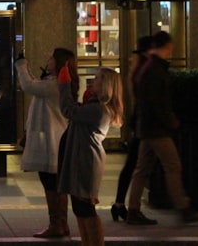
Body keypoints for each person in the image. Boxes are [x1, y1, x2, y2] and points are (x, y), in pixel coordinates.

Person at [124, 30, 198, 226]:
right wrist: (169, 121)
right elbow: (157, 101)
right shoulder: (155, 69)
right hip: (156, 128)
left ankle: (133, 209)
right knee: (172, 165)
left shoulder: (148, 68)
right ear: (166, 46)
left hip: (147, 127)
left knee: (142, 169)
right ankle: (182, 207)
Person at [57, 65, 124, 246]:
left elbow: (68, 110)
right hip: (80, 160)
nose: (94, 80)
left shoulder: (99, 110)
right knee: (80, 209)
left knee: (86, 209)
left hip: (86, 162)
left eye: (99, 78)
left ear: (107, 85)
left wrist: (64, 86)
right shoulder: (95, 106)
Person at [15, 48, 78, 239]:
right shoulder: (58, 83)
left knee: (51, 183)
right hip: (55, 138)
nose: (48, 60)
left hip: (52, 140)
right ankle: (62, 223)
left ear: (59, 62)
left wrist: (21, 65)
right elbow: (35, 85)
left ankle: (56, 223)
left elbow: (29, 86)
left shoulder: (56, 84)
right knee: (56, 183)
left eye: (51, 58)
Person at [109, 35, 154, 223]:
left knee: (132, 165)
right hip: (145, 125)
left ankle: (119, 204)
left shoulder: (136, 70)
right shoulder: (145, 71)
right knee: (140, 166)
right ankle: (125, 206)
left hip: (138, 123)